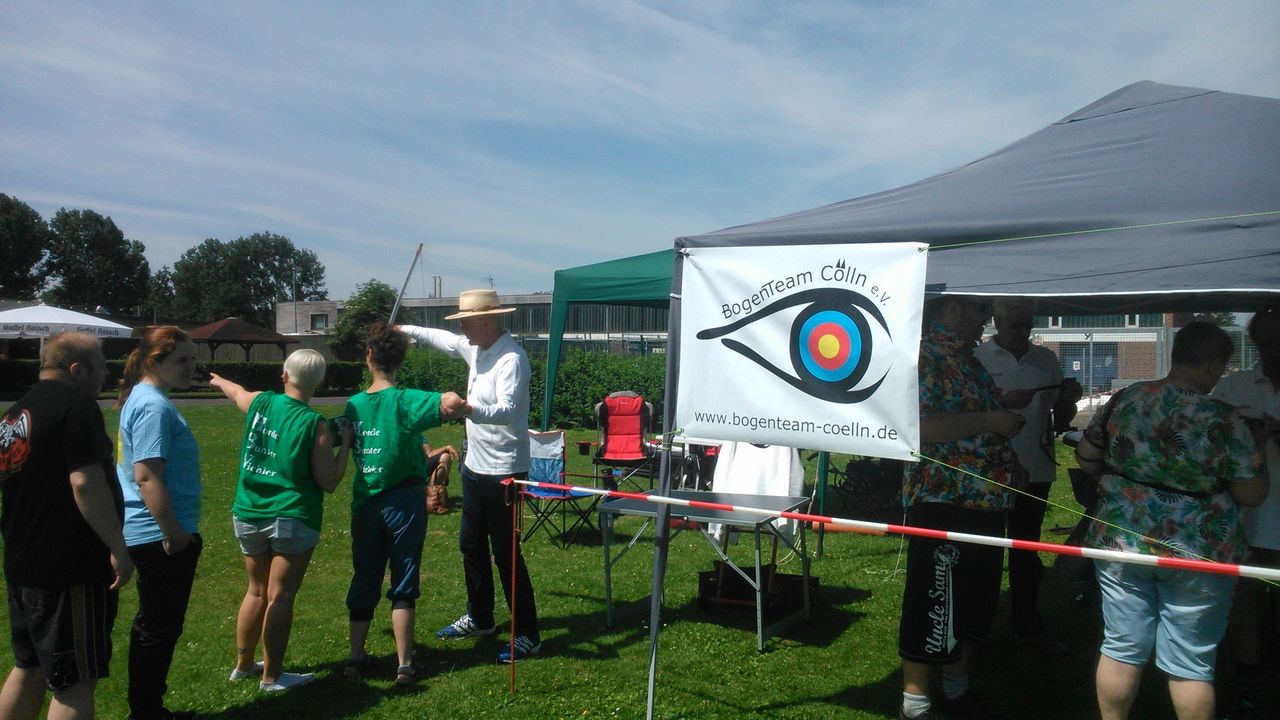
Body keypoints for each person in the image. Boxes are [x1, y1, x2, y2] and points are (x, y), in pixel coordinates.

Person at [1076, 321, 1266, 720]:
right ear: (1213, 364)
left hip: (1121, 538)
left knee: (1121, 646)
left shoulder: (1125, 398)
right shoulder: (1224, 417)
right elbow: (1252, 493)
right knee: (1191, 662)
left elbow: (1087, 456)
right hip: (1199, 547)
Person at [898, 295, 1026, 720]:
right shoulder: (923, 357)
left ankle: (956, 688)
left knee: (974, 601)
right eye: (976, 309)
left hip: (986, 499)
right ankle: (915, 702)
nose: (984, 318)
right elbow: (917, 428)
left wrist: (1009, 451)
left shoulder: (969, 359)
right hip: (943, 499)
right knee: (934, 599)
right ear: (949, 310)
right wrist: (990, 421)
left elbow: (978, 418)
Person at [398, 288, 542, 663]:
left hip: (505, 471)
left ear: (485, 321)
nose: (461, 328)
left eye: (465, 321)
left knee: (506, 555)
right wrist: (404, 329)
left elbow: (508, 411)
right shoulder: (476, 348)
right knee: (470, 545)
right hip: (475, 468)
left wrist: (466, 409)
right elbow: (442, 340)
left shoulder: (512, 359)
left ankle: (527, 633)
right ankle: (481, 618)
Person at [0, 332, 132, 720]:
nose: (106, 374)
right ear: (78, 369)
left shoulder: (17, 412)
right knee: (74, 681)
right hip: (69, 568)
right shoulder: (76, 407)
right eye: (101, 366)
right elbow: (85, 482)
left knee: (30, 667)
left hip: (24, 561)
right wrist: (117, 547)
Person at [209, 349, 354, 692]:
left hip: (248, 512)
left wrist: (218, 380)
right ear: (319, 383)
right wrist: (344, 444)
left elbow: (236, 393)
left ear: (284, 375)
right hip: (290, 516)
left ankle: (244, 665)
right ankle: (272, 676)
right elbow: (329, 481)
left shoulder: (261, 403)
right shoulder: (313, 423)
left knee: (256, 591)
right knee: (281, 596)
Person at [342, 323, 466, 685]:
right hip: (405, 503)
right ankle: (403, 664)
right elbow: (451, 404)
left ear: (369, 357)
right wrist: (454, 395)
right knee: (404, 576)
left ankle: (354, 658)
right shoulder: (406, 399)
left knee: (365, 574)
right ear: (401, 359)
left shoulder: (354, 405)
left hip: (367, 503)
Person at [973, 298, 1081, 653]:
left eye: (1028, 325)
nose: (1023, 333)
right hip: (987, 469)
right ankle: (976, 628)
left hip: (1034, 467)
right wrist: (1002, 402)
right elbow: (964, 410)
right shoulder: (977, 358)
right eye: (1015, 325)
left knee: (1026, 550)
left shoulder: (1046, 359)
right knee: (984, 551)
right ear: (997, 322)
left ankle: (1027, 625)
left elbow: (1058, 416)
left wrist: (1068, 399)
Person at [115, 326, 204, 720]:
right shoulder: (153, 406)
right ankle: (147, 713)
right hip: (160, 536)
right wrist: (175, 536)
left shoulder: (145, 397)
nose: (192, 368)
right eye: (181, 360)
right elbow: (147, 475)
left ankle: (148, 709)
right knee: (158, 629)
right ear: (154, 363)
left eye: (193, 359)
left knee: (155, 626)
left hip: (152, 532)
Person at [1211, 306, 1280, 720]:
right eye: (1267, 341)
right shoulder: (1234, 386)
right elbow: (1202, 447)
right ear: (1255, 343)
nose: (1274, 349)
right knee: (1245, 616)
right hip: (1245, 524)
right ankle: (1250, 690)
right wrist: (1241, 436)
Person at [423, 441, 459, 514]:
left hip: (422, 465)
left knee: (445, 457)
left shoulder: (418, 435)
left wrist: (447, 448)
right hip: (409, 468)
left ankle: (436, 498)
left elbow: (430, 453)